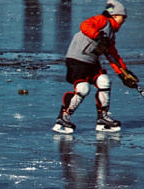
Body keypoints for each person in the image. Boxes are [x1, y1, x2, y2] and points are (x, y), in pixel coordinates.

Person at [52, 0, 139, 134]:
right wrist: (98, 36)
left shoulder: (110, 34)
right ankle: (63, 118)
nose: (124, 20)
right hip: (77, 59)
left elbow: (112, 56)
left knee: (104, 81)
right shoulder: (102, 20)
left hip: (91, 62)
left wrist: (123, 73)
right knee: (83, 88)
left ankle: (102, 118)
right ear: (115, 15)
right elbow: (85, 25)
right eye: (123, 17)